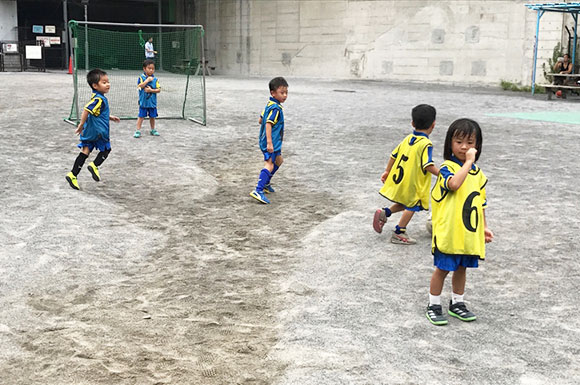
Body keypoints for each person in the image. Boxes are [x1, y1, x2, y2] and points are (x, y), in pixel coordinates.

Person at [425, 118, 494, 326]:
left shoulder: (478, 174)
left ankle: (457, 302)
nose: (464, 147)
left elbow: (480, 202)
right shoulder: (447, 168)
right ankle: (433, 305)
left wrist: (484, 226)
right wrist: (468, 162)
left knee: (462, 268)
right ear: (450, 144)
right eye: (459, 142)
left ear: (477, 146)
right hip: (449, 231)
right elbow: (454, 184)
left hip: (467, 231)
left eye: (470, 142)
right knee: (442, 268)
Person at [372, 104, 439, 244]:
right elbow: (428, 165)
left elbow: (394, 155)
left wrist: (387, 171)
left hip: (402, 179)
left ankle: (385, 213)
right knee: (412, 205)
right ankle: (399, 232)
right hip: (414, 182)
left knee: (406, 203)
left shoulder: (408, 139)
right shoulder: (426, 144)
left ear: (413, 123)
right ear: (433, 124)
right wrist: (443, 174)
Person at [66, 68, 120, 190]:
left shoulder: (96, 96)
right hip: (99, 132)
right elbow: (86, 109)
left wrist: (110, 117)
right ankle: (94, 165)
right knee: (106, 149)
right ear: (95, 85)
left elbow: (95, 112)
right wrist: (80, 124)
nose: (108, 84)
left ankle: (73, 174)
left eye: (108, 81)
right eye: (104, 82)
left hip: (90, 131)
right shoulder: (99, 99)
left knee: (85, 151)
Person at [250, 77, 289, 204]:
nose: (285, 95)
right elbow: (267, 124)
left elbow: (260, 119)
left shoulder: (270, 104)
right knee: (270, 163)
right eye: (282, 92)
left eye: (286, 92)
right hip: (270, 142)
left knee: (279, 160)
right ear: (273, 93)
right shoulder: (275, 109)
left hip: (273, 142)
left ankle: (265, 184)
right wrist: (269, 142)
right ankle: (258, 190)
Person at [134, 59, 161, 138]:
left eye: (153, 68)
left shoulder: (155, 80)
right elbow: (140, 86)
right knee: (141, 116)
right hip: (144, 102)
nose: (151, 70)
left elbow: (159, 90)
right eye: (149, 68)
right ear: (144, 69)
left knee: (152, 116)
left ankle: (153, 129)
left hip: (152, 103)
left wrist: (151, 90)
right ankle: (138, 130)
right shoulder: (141, 78)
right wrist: (147, 81)